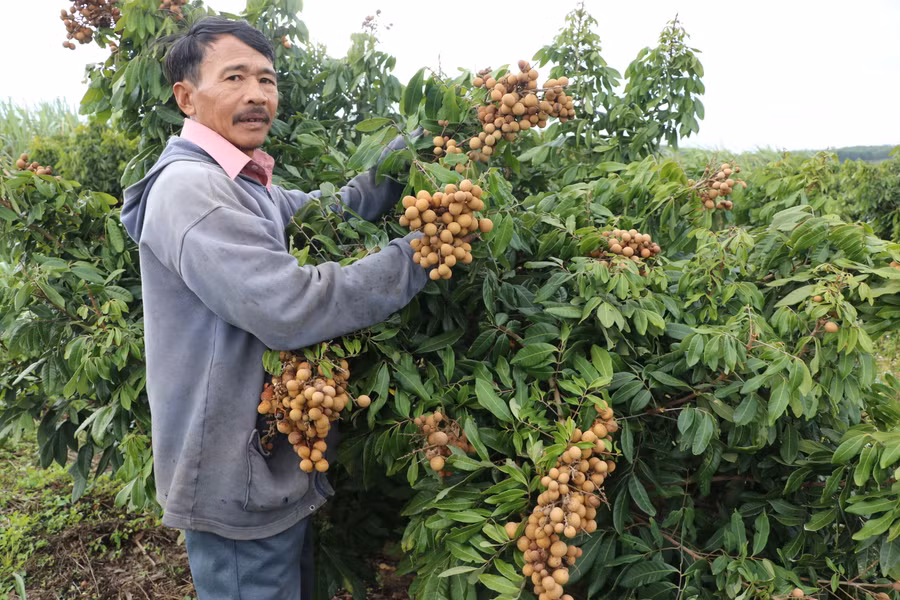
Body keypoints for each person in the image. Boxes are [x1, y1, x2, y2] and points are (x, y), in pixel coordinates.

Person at [119, 16, 427, 600]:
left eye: (267, 79)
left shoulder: (242, 182)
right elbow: (289, 306)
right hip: (233, 474)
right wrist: (420, 254)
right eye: (234, 77)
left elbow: (330, 213)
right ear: (185, 96)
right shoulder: (192, 190)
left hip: (267, 461)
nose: (257, 94)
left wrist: (408, 153)